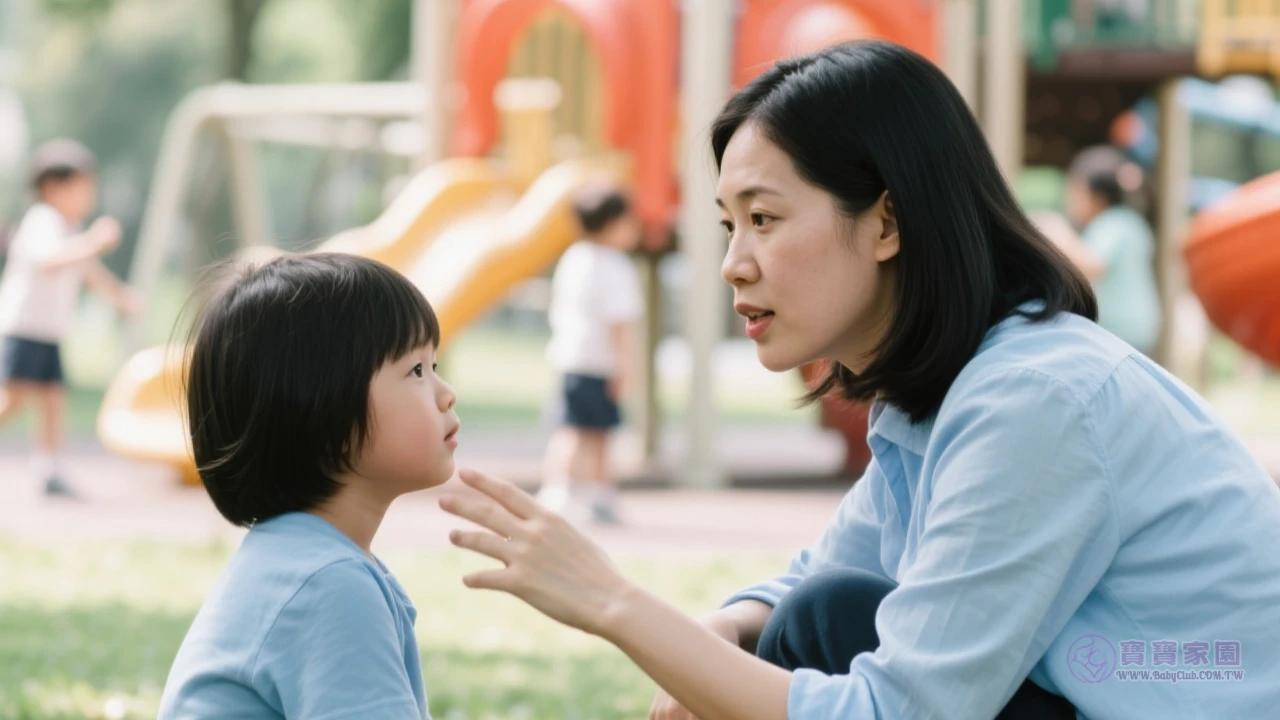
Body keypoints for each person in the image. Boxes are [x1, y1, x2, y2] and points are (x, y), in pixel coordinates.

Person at [436, 40, 1280, 720]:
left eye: (763, 219)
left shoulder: (1034, 401)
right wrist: (719, 629)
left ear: (885, 221)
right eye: (729, 225)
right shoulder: (946, 393)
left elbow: (898, 711)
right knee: (815, 614)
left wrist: (617, 605)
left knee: (823, 626)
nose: (733, 265)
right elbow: (815, 577)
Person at [158, 253, 459, 719]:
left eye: (434, 364)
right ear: (325, 415)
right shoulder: (329, 583)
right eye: (416, 370)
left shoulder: (299, 561)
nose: (446, 392)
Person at [0, 138, 140, 498]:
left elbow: (89, 272)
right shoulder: (42, 221)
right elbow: (50, 261)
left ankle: (49, 468)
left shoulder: (70, 230)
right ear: (52, 188)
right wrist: (94, 241)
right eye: (81, 187)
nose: (88, 196)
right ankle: (49, 467)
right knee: (12, 399)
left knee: (52, 398)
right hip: (25, 328)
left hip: (48, 331)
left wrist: (120, 297)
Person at [536, 185, 643, 525]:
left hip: (571, 357)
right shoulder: (616, 266)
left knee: (575, 428)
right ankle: (575, 494)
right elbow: (619, 325)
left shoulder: (574, 257)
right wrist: (625, 366)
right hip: (599, 362)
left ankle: (580, 493)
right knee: (589, 432)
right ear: (613, 223)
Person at [1044, 144, 1162, 356]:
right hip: (1137, 329)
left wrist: (1057, 228)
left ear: (1096, 196)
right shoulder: (1132, 222)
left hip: (1120, 331)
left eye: (1075, 192)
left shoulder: (1111, 223)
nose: (1069, 201)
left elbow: (1092, 265)